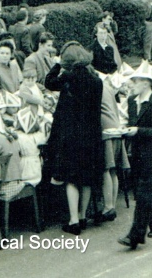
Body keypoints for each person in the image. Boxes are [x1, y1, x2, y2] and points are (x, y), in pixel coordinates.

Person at [44, 41, 103, 236]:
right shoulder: (96, 79)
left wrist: (57, 65)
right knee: (86, 178)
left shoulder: (69, 77)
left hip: (71, 135)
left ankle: (73, 220)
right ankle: (83, 215)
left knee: (71, 178)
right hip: (92, 133)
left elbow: (49, 83)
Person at [118, 61, 152, 249]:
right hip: (138, 153)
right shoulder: (132, 101)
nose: (132, 84)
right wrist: (125, 129)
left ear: (147, 83)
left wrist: (138, 130)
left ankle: (135, 234)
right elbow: (132, 123)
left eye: (136, 81)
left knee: (143, 193)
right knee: (151, 189)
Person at [96, 74, 130, 224]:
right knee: (113, 169)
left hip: (105, 129)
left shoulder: (96, 87)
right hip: (115, 127)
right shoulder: (108, 88)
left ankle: (108, 207)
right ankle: (112, 205)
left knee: (105, 169)